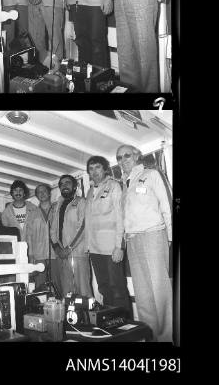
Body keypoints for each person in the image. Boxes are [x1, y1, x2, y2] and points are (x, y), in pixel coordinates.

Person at [116, 144, 172, 342]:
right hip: (132, 240)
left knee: (160, 290)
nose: (123, 160)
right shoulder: (124, 184)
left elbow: (167, 206)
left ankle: (167, 338)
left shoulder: (152, 174)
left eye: (127, 155)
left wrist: (171, 239)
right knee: (142, 293)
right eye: (119, 158)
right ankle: (151, 335)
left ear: (137, 156)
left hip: (153, 235)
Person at [85, 156, 132, 315]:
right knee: (104, 287)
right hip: (95, 249)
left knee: (117, 288)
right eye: (91, 169)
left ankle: (125, 324)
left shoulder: (114, 186)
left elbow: (120, 217)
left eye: (98, 167)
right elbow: (89, 222)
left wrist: (119, 246)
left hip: (111, 248)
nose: (94, 171)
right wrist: (88, 247)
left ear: (105, 169)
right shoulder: (90, 191)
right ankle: (110, 321)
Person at [50, 174, 92, 298]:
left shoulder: (81, 202)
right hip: (62, 256)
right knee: (66, 293)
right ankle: (70, 317)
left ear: (75, 186)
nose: (64, 186)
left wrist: (69, 248)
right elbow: (52, 230)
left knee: (83, 291)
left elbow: (83, 227)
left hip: (77, 254)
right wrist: (57, 249)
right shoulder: (57, 206)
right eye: (61, 184)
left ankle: (87, 317)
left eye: (67, 183)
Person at [26, 183, 61, 295]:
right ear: (36, 196)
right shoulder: (32, 214)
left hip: (56, 255)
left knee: (57, 285)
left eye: (44, 191)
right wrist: (31, 257)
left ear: (49, 193)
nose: (42, 194)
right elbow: (29, 236)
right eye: (39, 192)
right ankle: (41, 310)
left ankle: (58, 310)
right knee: (40, 288)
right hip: (39, 256)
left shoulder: (57, 209)